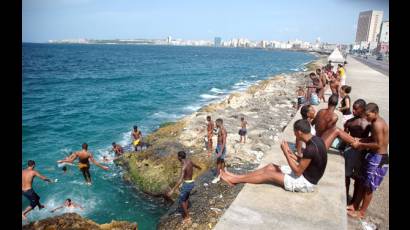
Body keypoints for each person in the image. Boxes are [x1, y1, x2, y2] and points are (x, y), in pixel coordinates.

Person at [220, 119, 327, 193]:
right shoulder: (316, 140)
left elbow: (298, 171)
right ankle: (235, 177)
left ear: (299, 132)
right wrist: (293, 155)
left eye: (294, 133)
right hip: (305, 174)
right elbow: (310, 161)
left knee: (269, 175)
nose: (294, 135)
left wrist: (285, 153)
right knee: (270, 166)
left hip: (305, 183)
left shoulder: (310, 148)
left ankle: (234, 180)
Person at [348, 103, 389, 219]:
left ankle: (361, 212)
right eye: (365, 115)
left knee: (369, 187)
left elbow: (378, 144)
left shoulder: (377, 124)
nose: (366, 118)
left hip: (379, 158)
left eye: (368, 115)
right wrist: (361, 139)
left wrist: (360, 144)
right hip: (373, 156)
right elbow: (374, 138)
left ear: (375, 113)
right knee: (362, 182)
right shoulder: (376, 121)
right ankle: (355, 205)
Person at [343, 99, 371, 204]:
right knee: (347, 176)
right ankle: (346, 199)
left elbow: (373, 138)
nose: (353, 111)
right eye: (353, 108)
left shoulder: (368, 123)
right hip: (350, 151)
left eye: (356, 109)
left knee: (358, 179)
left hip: (360, 153)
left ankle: (354, 201)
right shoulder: (350, 122)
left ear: (363, 109)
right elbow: (345, 135)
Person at [166, 151, 202, 225]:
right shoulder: (189, 161)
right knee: (186, 198)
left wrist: (172, 190)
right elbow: (196, 166)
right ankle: (186, 210)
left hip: (187, 184)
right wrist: (199, 168)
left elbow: (180, 180)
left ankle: (188, 217)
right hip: (192, 183)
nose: (177, 157)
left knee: (182, 201)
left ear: (179, 157)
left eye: (177, 156)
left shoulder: (183, 166)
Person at [212, 118, 227, 184]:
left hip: (221, 147)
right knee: (221, 161)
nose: (215, 124)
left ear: (218, 123)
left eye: (216, 123)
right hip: (219, 146)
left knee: (218, 162)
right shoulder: (220, 129)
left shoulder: (223, 130)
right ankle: (223, 174)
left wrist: (220, 151)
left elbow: (224, 141)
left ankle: (218, 177)